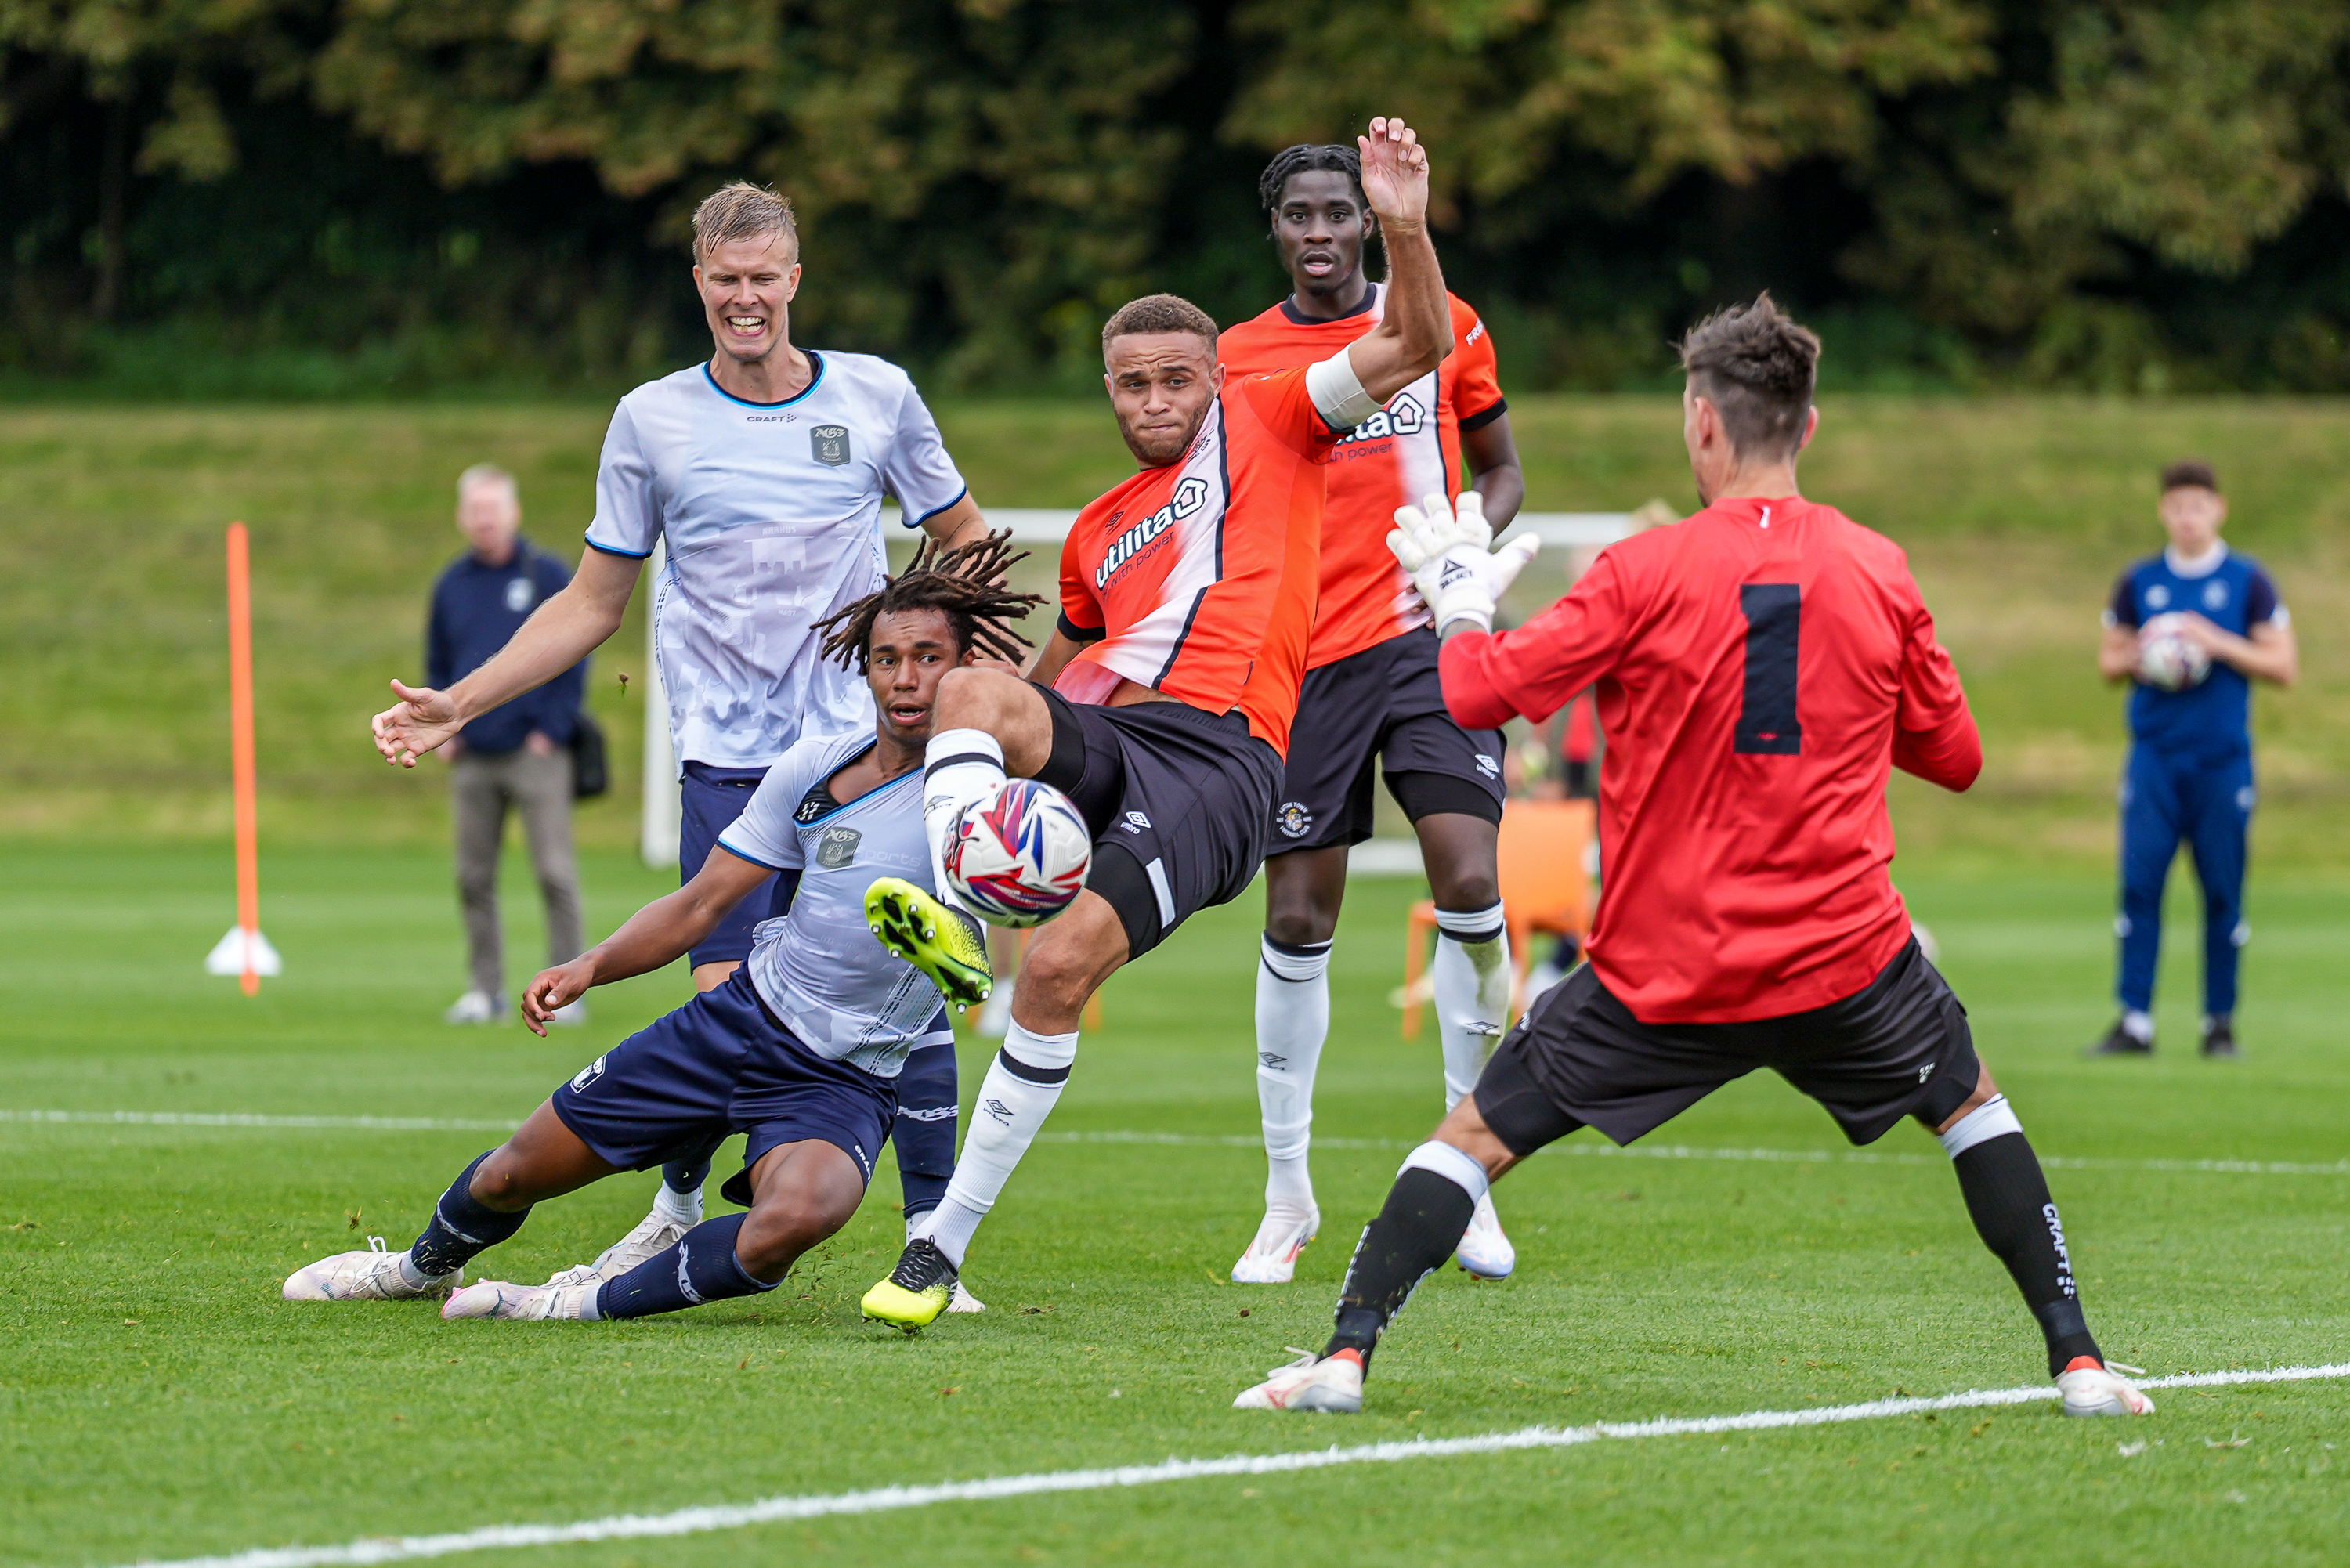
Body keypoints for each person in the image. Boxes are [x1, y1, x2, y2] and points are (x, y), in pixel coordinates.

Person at [1235, 294, 2154, 1422]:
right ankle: (2081, 1363)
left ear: (1701, 424)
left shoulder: (1643, 570)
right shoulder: (1878, 566)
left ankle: (1343, 1357)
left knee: (1474, 1135)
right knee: (1974, 1109)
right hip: (1843, 958)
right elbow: (1954, 757)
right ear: (1806, 428)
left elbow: (1475, 690)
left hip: (1665, 969)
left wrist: (1461, 603)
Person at [854, 116, 1458, 1331]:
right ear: (1109, 391)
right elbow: (1060, 668)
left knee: (1067, 964)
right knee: (973, 690)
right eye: (1132, 382)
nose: (1154, 400)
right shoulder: (1095, 527)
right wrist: (987, 750)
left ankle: (939, 1249)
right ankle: (968, 914)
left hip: (1226, 758)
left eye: (1177, 377)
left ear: (1214, 376)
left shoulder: (1280, 416)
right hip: (1125, 742)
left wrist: (1401, 217)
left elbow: (1421, 338)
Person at [370, 181, 989, 1288]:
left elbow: (964, 541)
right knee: (725, 992)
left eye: (764, 278)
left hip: (866, 749)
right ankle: (683, 1202)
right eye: (725, 280)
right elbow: (589, 603)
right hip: (731, 752)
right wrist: (458, 703)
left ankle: (932, 1240)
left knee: (905, 969)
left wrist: (974, 687)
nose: (745, 299)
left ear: (796, 280)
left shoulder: (878, 396)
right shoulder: (650, 419)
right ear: (698, 283)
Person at [284, 538, 1040, 1322]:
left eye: (929, 657)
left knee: (796, 1219)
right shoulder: (815, 769)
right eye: (888, 658)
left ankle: (566, 1304)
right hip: (738, 1021)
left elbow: (1032, 866)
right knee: (513, 1174)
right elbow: (700, 905)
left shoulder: (993, 794)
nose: (907, 678)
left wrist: (978, 942)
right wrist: (591, 965)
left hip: (840, 1080)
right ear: (865, 665)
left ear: (967, 667)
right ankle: (417, 1266)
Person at [1214, 143, 1525, 1285]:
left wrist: (1470, 555)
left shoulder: (1448, 322)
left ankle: (1468, 1171)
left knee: (1470, 879)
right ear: (1278, 230)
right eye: (1297, 214)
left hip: (1427, 642)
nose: (1318, 231)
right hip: (1305, 662)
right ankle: (1286, 1196)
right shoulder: (1238, 358)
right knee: (1298, 920)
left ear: (1363, 221)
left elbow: (1499, 467)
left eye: (1337, 212)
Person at [2088, 461, 2295, 1060]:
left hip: (2221, 762)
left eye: (2198, 506)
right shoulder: (2140, 581)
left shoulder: (2248, 581)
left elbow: (2282, 665)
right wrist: (2151, 651)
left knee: (2223, 891)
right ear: (2164, 512)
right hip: (2155, 760)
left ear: (2218, 510)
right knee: (2140, 886)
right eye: (2177, 506)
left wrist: (2214, 640)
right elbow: (2109, 660)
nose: (2187, 517)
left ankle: (2219, 1024)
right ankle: (2135, 1022)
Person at [428, 464, 591, 1025]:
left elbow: (575, 652)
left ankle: (565, 991)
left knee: (553, 872)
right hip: (473, 754)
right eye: (476, 510)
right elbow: (438, 662)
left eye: (494, 508)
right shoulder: (451, 585)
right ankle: (484, 989)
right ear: (462, 516)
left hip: (534, 750)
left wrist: (553, 728)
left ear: (514, 512)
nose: (485, 519)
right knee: (473, 876)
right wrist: (442, 730)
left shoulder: (545, 574)